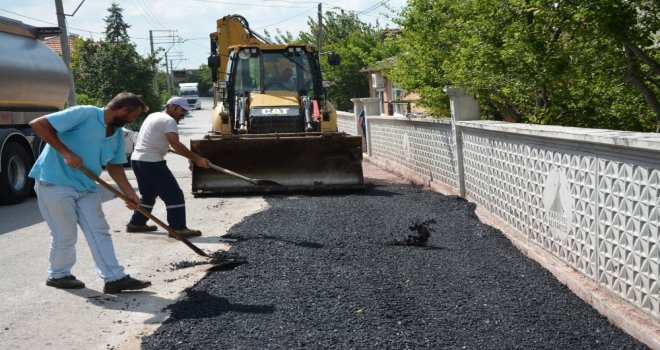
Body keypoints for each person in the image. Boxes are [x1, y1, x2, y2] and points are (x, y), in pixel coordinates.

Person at [29, 92, 152, 294]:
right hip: (54, 182)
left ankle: (114, 278)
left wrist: (129, 193)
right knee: (65, 233)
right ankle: (58, 275)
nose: (134, 120)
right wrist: (66, 152)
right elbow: (38, 124)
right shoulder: (84, 114)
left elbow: (115, 166)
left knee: (99, 231)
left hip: (86, 186)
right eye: (135, 115)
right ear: (123, 110)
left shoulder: (117, 133)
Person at [126, 96, 210, 239]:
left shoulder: (154, 116)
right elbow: (175, 143)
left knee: (148, 195)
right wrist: (197, 159)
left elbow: (150, 138)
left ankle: (136, 223)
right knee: (174, 195)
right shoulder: (169, 120)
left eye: (185, 111)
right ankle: (178, 228)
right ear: (171, 106)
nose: (183, 114)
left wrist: (161, 146)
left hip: (138, 160)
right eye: (182, 110)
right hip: (152, 162)